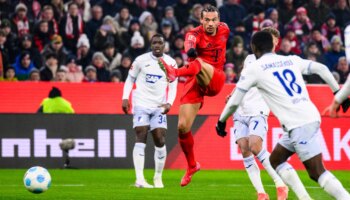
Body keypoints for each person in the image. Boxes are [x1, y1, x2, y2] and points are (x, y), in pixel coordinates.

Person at [216, 31, 350, 200]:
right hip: (308, 117)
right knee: (276, 160)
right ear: (273, 45)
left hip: (299, 123)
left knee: (317, 172)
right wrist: (338, 93)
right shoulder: (290, 59)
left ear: (254, 48)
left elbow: (234, 102)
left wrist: (221, 121)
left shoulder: (255, 68)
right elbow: (322, 69)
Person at [159, 5, 229, 187]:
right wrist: (190, 49)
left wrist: (190, 59)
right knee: (182, 127)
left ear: (219, 20)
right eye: (207, 20)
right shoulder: (194, 34)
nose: (211, 23)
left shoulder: (225, 29)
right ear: (201, 20)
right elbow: (189, 42)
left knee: (198, 61)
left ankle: (174, 72)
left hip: (216, 77)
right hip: (195, 78)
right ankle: (192, 166)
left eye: (214, 20)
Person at [226, 27, 288, 200]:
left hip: (259, 109)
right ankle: (261, 193)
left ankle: (280, 184)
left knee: (255, 145)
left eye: (274, 40)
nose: (272, 42)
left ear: (277, 42)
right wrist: (232, 95)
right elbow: (243, 81)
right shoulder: (249, 59)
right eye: (269, 39)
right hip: (241, 109)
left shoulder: (279, 62)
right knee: (244, 149)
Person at [122, 34, 178, 188]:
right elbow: (130, 79)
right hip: (141, 103)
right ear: (150, 45)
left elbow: (173, 86)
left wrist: (169, 103)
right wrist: (125, 97)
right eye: (154, 43)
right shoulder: (140, 60)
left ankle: (157, 177)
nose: (157, 45)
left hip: (159, 106)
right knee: (141, 133)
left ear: (164, 45)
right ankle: (139, 179)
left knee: (160, 139)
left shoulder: (171, 63)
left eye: (160, 43)